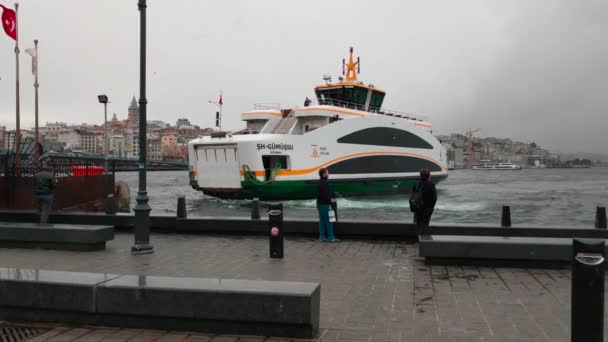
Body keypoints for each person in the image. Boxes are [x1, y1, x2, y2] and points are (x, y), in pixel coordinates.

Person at [412, 168, 437, 234]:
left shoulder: (416, 184)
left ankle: (418, 238)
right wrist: (431, 208)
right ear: (428, 176)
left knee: (418, 224)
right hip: (427, 209)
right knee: (425, 224)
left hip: (417, 208)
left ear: (420, 175)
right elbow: (434, 198)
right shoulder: (431, 184)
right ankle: (424, 240)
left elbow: (413, 196)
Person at [316, 167, 338, 242]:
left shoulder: (318, 183)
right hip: (326, 205)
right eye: (327, 172)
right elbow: (327, 195)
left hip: (319, 204)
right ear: (324, 174)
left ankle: (322, 236)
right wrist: (330, 205)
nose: (328, 174)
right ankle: (331, 237)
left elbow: (318, 195)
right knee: (330, 221)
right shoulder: (326, 183)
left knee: (322, 221)